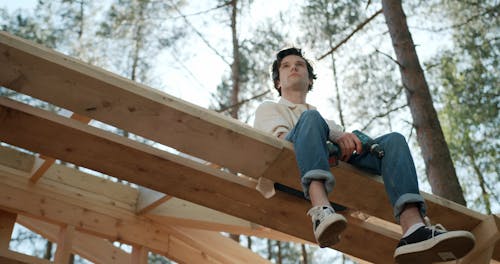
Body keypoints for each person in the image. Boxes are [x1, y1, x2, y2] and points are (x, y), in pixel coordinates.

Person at [253, 47, 475, 262]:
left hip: (335, 186)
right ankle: (320, 211)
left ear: (310, 80)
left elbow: (339, 153)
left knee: (393, 141)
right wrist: (334, 138)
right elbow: (280, 147)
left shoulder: (324, 121)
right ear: (278, 82)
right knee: (312, 120)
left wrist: (347, 144)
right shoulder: (270, 108)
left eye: (300, 65)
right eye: (286, 66)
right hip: (289, 179)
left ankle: (414, 229)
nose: (294, 68)